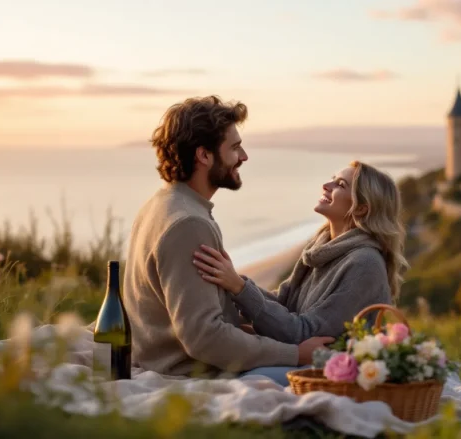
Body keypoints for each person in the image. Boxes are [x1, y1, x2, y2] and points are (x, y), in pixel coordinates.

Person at [122, 95, 333, 378]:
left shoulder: (160, 204)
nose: (243, 157)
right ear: (204, 155)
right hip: (191, 373)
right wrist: (295, 354)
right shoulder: (189, 224)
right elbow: (204, 337)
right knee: (323, 373)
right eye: (234, 148)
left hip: (162, 359)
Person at [192, 160, 409, 385]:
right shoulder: (321, 246)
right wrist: (232, 287)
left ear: (362, 208)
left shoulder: (364, 264)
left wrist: (239, 288)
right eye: (332, 179)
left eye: (340, 185)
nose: (326, 185)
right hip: (308, 357)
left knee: (248, 380)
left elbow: (305, 334)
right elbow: (284, 302)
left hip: (335, 370)